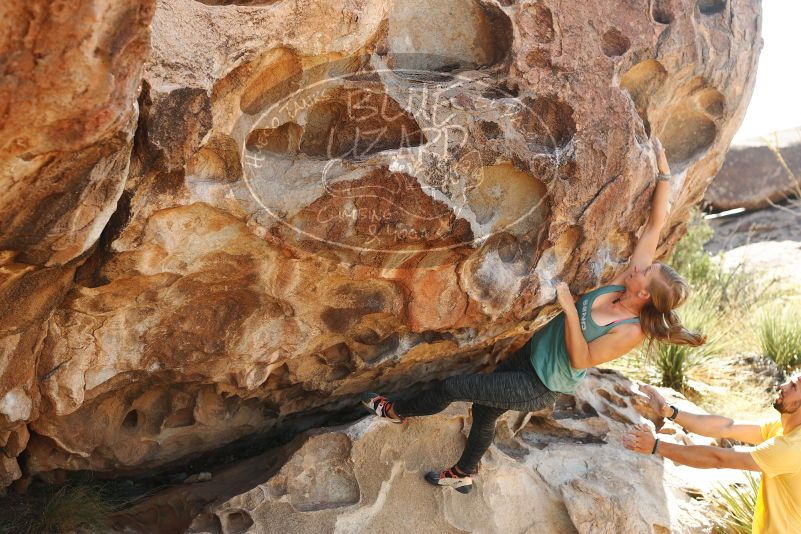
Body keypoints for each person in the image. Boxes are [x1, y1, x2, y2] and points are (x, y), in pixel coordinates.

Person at [361, 138, 705, 494]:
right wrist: (664, 173)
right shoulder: (625, 285)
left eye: (645, 273)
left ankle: (396, 411)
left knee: (454, 387)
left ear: (644, 294)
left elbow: (582, 357)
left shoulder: (630, 330)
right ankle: (465, 473)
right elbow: (655, 225)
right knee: (484, 410)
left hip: (540, 385)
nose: (639, 268)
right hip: (529, 357)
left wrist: (570, 309)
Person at [623, 378, 801, 534]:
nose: (783, 386)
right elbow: (726, 427)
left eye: (793, 386)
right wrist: (668, 411)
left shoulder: (793, 448)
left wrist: (656, 446)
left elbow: (719, 458)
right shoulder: (783, 427)